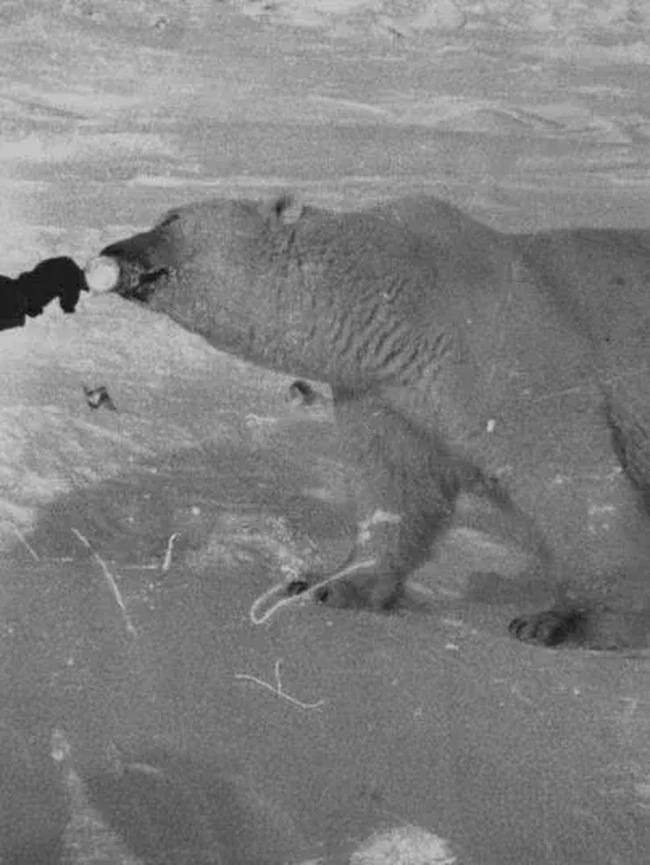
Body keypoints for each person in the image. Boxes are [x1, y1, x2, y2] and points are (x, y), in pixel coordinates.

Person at [0, 256, 87, 331]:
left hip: (10, 286)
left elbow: (40, 269)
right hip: (16, 304)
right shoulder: (74, 281)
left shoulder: (66, 262)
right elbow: (67, 306)